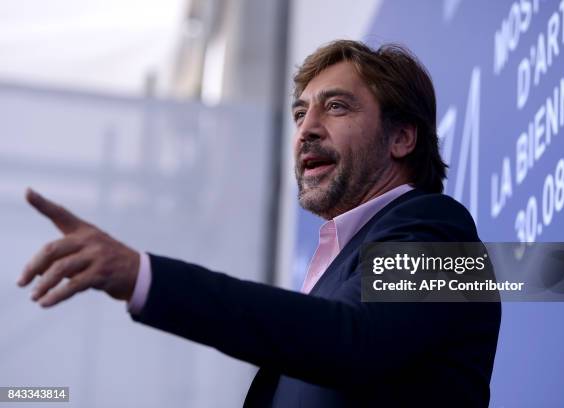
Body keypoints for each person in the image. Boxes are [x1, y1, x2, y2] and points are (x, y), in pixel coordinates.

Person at [18, 40, 500, 407]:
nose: (307, 128)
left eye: (335, 106)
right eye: (299, 113)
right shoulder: (333, 271)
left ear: (401, 138)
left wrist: (144, 276)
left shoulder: (441, 226)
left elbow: (353, 339)